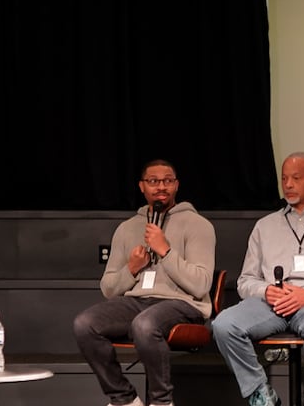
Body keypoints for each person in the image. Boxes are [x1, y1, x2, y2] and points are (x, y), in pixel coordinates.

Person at [212, 151, 304, 406]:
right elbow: (245, 281)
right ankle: (261, 394)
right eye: (284, 179)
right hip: (272, 302)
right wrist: (267, 290)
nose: (289, 185)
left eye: (296, 178)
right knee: (224, 325)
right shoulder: (264, 225)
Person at [73, 159, 216, 406]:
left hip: (182, 303)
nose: (161, 186)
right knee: (85, 324)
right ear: (142, 187)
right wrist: (131, 269)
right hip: (138, 301)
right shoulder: (127, 228)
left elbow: (201, 285)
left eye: (167, 181)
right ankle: (124, 399)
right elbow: (108, 288)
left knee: (145, 324)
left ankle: (162, 402)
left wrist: (166, 252)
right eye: (153, 181)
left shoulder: (198, 225)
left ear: (176, 185)